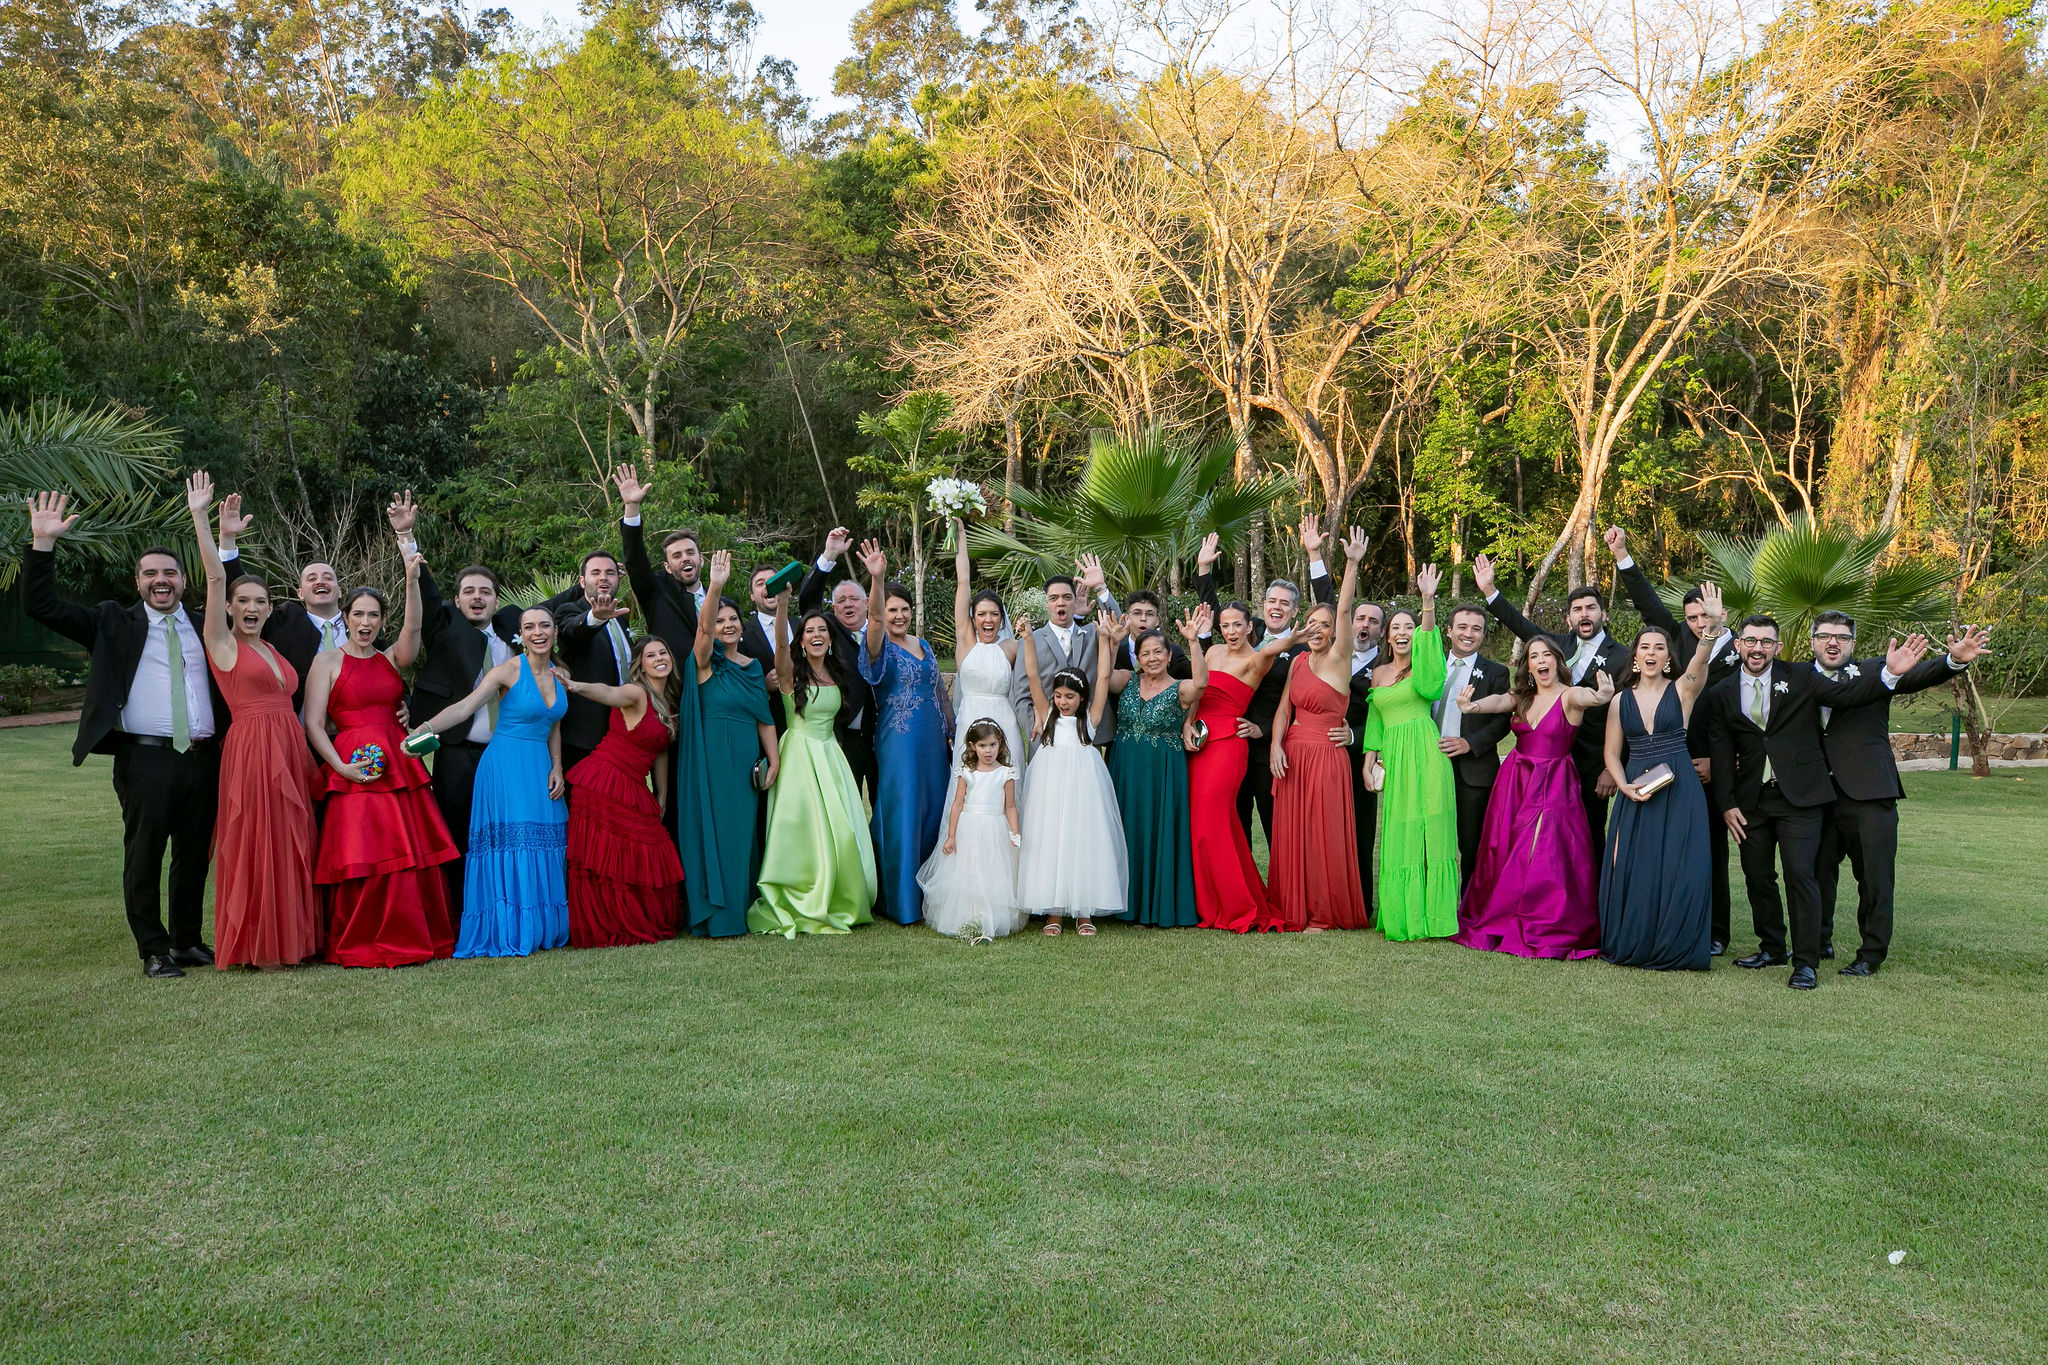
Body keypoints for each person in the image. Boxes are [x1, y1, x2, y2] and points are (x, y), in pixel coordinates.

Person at [24, 492, 227, 977]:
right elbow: (43, 605)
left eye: (170, 573)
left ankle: (186, 941)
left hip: (203, 757)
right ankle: (153, 950)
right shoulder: (111, 622)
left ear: (183, 580)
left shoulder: (206, 626)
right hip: (145, 759)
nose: (161, 581)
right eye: (151, 574)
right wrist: (42, 543)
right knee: (145, 854)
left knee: (194, 854)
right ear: (137, 582)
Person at [1703, 616, 1922, 989]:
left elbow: (1845, 695)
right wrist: (1726, 803)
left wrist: (1889, 677)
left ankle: (1805, 962)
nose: (1758, 648)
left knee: (1801, 877)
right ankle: (1771, 946)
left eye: (1766, 642)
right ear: (1737, 644)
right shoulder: (1721, 692)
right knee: (1757, 876)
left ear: (1779, 647)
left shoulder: (1801, 677)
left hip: (1800, 800)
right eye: (1751, 641)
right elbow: (1722, 753)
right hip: (1751, 802)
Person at [182, 474, 320, 969]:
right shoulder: (222, 645)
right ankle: (258, 941)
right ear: (229, 608)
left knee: (291, 839)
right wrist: (206, 522)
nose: (253, 607)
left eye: (261, 601)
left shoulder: (272, 647)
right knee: (257, 838)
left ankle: (293, 938)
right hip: (253, 748)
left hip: (288, 746)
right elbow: (217, 578)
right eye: (244, 601)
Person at [1812, 615, 1988, 974]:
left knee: (1875, 879)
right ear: (1812, 641)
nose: (1833, 642)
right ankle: (1817, 942)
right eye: (1825, 636)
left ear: (1853, 644)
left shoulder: (1879, 670)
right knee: (1813, 875)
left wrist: (1953, 661)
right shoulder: (1795, 677)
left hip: (1870, 793)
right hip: (1815, 794)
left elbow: (1919, 674)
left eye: (1842, 637)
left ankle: (1870, 955)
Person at [302, 575, 458, 968]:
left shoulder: (391, 658)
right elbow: (314, 725)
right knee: (362, 851)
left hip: (399, 761)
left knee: (408, 849)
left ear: (382, 620)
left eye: (373, 615)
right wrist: (340, 767)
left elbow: (415, 626)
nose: (365, 622)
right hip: (352, 766)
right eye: (358, 614)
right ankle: (363, 936)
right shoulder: (326, 662)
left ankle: (413, 932)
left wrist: (410, 575)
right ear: (346, 618)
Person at [1602, 526, 1743, 952]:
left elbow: (1701, 656)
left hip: (1680, 781)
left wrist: (1715, 625)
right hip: (1635, 785)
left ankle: (1682, 937)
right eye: (1644, 646)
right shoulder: (1619, 699)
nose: (1650, 652)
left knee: (1682, 861)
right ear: (1636, 654)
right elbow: (1611, 751)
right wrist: (1622, 782)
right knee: (1638, 863)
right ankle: (1636, 934)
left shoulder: (1683, 688)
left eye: (1659, 647)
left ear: (1668, 657)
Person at [383, 491, 524, 910]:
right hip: (458, 750)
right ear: (458, 599)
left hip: (508, 752)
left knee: (505, 830)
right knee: (458, 831)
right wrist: (406, 535)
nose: (477, 597)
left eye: (485, 591)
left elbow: (555, 610)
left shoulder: (510, 633)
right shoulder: (444, 624)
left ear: (497, 600)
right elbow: (424, 593)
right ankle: (460, 913)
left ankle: (503, 905)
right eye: (469, 591)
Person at [410, 606, 570, 959]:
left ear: (555, 631)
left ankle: (542, 927)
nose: (538, 632)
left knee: (545, 842)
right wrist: (423, 730)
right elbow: (464, 709)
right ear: (521, 634)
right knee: (513, 844)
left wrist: (557, 765)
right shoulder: (507, 671)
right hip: (505, 765)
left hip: (541, 766)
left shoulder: (562, 674)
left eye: (545, 625)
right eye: (530, 627)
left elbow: (554, 724)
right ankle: (509, 927)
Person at [1472, 540, 1648, 850]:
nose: (1584, 614)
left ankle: (1591, 897)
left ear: (1603, 614)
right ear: (1568, 618)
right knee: (1543, 840)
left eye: (1591, 608)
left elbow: (1629, 717)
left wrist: (1612, 767)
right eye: (1577, 609)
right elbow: (1520, 624)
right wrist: (1489, 591)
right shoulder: (1554, 648)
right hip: (1549, 763)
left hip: (1594, 764)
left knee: (1588, 837)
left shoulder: (1622, 657)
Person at [1452, 637, 1612, 960]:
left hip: (1553, 782)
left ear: (1556, 661)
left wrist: (1600, 696)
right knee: (1505, 848)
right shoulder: (1523, 697)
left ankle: (1539, 921)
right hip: (1515, 779)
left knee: (1542, 851)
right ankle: (1506, 912)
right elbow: (1498, 702)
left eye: (1546, 655)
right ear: (1529, 665)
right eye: (1534, 656)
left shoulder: (1569, 697)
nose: (1541, 660)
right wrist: (1472, 707)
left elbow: (1586, 696)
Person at [1195, 519, 1337, 841]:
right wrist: (1204, 569)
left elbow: (1330, 608)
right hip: (1229, 746)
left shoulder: (1305, 648)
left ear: (1295, 610)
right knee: (1235, 829)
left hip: (1271, 752)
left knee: (1278, 832)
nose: (1277, 607)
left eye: (1284, 603)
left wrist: (1314, 555)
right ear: (1263, 605)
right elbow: (1217, 612)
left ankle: (1281, 891)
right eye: (1272, 601)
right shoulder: (1247, 632)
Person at [751, 592, 880, 937]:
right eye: (809, 631)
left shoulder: (837, 672)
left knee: (841, 826)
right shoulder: (792, 674)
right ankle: (802, 894)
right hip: (799, 756)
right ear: (802, 640)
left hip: (830, 753)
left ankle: (841, 891)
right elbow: (780, 647)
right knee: (806, 829)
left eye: (822, 629)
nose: (817, 635)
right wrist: (781, 607)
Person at [1263, 527, 1371, 932]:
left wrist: (1352, 563)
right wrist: (1276, 744)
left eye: (1324, 624)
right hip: (1292, 754)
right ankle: (1294, 906)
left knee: (1323, 833)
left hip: (1326, 756)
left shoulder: (1340, 659)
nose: (1318, 629)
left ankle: (1325, 912)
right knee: (1293, 835)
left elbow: (1342, 610)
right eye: (1310, 623)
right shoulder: (1297, 661)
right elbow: (1283, 707)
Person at [558, 637, 686, 947]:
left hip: (634, 784)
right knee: (609, 858)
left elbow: (660, 751)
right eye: (650, 655)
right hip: (606, 779)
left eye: (663, 652)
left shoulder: (667, 704)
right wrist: (574, 686)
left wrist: (663, 794)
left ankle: (638, 917)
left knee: (643, 850)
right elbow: (608, 693)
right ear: (640, 664)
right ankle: (611, 922)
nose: (658, 658)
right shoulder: (636, 692)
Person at [676, 551, 778, 938]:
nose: (727, 625)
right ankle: (716, 916)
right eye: (720, 620)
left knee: (741, 837)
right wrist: (715, 586)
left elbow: (764, 718)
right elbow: (702, 637)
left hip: (746, 764)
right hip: (712, 762)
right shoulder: (704, 663)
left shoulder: (752, 667)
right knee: (714, 834)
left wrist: (774, 761)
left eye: (733, 619)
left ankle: (740, 911)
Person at [1014, 614, 1130, 934]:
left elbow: (1104, 677)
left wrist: (1105, 641)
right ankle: (1053, 911)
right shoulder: (1047, 712)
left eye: (1070, 696)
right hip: (1050, 785)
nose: (1064, 702)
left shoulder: (1090, 719)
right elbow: (1034, 676)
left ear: (1082, 698)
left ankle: (1084, 911)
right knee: (1051, 838)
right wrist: (1027, 640)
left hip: (1083, 785)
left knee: (1082, 839)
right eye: (1060, 696)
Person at [854, 540, 950, 925]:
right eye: (892, 609)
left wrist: (954, 734)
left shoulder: (923, 644)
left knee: (934, 812)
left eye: (904, 609)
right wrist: (877, 580)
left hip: (932, 743)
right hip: (898, 743)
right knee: (904, 812)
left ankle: (932, 897)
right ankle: (901, 902)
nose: (898, 615)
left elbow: (939, 692)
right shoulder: (877, 646)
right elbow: (874, 622)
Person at [1360, 566, 1458, 941]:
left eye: (1408, 627)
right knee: (1400, 832)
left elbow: (1433, 686)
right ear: (1387, 635)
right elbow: (1376, 722)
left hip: (1425, 750)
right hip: (1395, 758)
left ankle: (1436, 917)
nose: (1401, 633)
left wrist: (1428, 604)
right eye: (1395, 628)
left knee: (1432, 827)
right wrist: (1369, 763)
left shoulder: (1425, 666)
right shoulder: (1378, 673)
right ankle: (1402, 913)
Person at [1187, 602, 1294, 932]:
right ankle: (1206, 900)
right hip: (1199, 743)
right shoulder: (1213, 651)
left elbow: (1276, 646)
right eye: (1225, 625)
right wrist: (1186, 724)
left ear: (1250, 627)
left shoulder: (1256, 659)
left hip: (1228, 748)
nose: (1231, 631)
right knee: (1209, 825)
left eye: (1237, 625)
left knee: (1213, 824)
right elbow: (1197, 689)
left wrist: (1296, 637)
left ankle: (1235, 904)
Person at [1105, 606, 1211, 928]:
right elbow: (1104, 677)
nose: (1151, 658)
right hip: (1124, 766)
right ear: (1136, 657)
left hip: (1162, 770)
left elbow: (1202, 683)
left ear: (1168, 656)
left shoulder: (1180, 688)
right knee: (1125, 828)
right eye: (1145, 653)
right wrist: (1112, 645)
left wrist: (1194, 642)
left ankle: (1153, 906)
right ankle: (1119, 904)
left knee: (1155, 830)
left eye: (1158, 653)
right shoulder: (1126, 680)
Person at [917, 720, 1025, 939]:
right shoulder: (966, 772)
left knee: (992, 871)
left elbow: (1010, 806)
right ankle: (968, 915)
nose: (988, 751)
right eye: (983, 745)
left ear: (1000, 744)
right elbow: (957, 804)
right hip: (969, 828)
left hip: (995, 826)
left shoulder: (1006, 773)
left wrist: (1014, 831)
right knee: (969, 870)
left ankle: (991, 916)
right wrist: (950, 836)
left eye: (993, 745)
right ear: (972, 746)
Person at [795, 526, 878, 802]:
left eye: (854, 599)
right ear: (833, 608)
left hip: (883, 736)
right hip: (846, 737)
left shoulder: (882, 630)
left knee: (884, 808)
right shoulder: (829, 629)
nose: (848, 605)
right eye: (840, 601)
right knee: (846, 805)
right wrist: (829, 555)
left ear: (866, 603)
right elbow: (807, 601)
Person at [1436, 604, 1512, 888]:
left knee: (1472, 845)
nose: (1469, 634)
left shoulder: (1496, 673)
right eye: (1463, 627)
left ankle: (1470, 909)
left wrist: (1470, 743)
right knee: (1433, 842)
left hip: (1474, 771)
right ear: (1449, 631)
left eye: (1476, 629)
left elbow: (1503, 720)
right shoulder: (1429, 666)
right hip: (1431, 765)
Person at [946, 520, 1025, 788]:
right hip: (970, 718)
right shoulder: (966, 641)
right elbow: (963, 582)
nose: (988, 619)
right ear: (973, 618)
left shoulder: (1012, 648)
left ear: (1002, 619)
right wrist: (960, 538)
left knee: (1005, 785)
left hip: (1005, 723)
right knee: (969, 785)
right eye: (981, 614)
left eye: (994, 614)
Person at [1010, 555, 1117, 753]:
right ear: (1046, 604)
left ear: (1075, 601)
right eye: (1054, 598)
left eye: (1067, 597)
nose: (1061, 603)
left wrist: (1100, 587)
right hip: (1046, 739)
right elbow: (1021, 695)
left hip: (1087, 739)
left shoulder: (1093, 634)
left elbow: (1117, 623)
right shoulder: (1030, 641)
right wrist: (1039, 727)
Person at [551, 548, 635, 778]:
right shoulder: (568, 611)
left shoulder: (621, 618)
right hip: (584, 738)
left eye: (610, 572)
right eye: (595, 572)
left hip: (622, 731)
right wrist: (596, 618)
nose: (603, 577)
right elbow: (572, 632)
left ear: (618, 579)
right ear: (582, 581)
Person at [1344, 599, 1385, 916]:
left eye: (1373, 621)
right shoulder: (1335, 658)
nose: (1365, 625)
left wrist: (1355, 736)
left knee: (1361, 832)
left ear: (1381, 631)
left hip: (1361, 757)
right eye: (1360, 618)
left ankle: (1360, 904)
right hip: (1322, 756)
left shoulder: (1385, 669)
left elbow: (1382, 717)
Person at [1111, 590, 1192, 679]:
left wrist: (1195, 640)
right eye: (1137, 613)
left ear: (1157, 621)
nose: (1143, 618)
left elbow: (1198, 680)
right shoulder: (1115, 651)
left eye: (1150, 614)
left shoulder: (1173, 652)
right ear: (1127, 618)